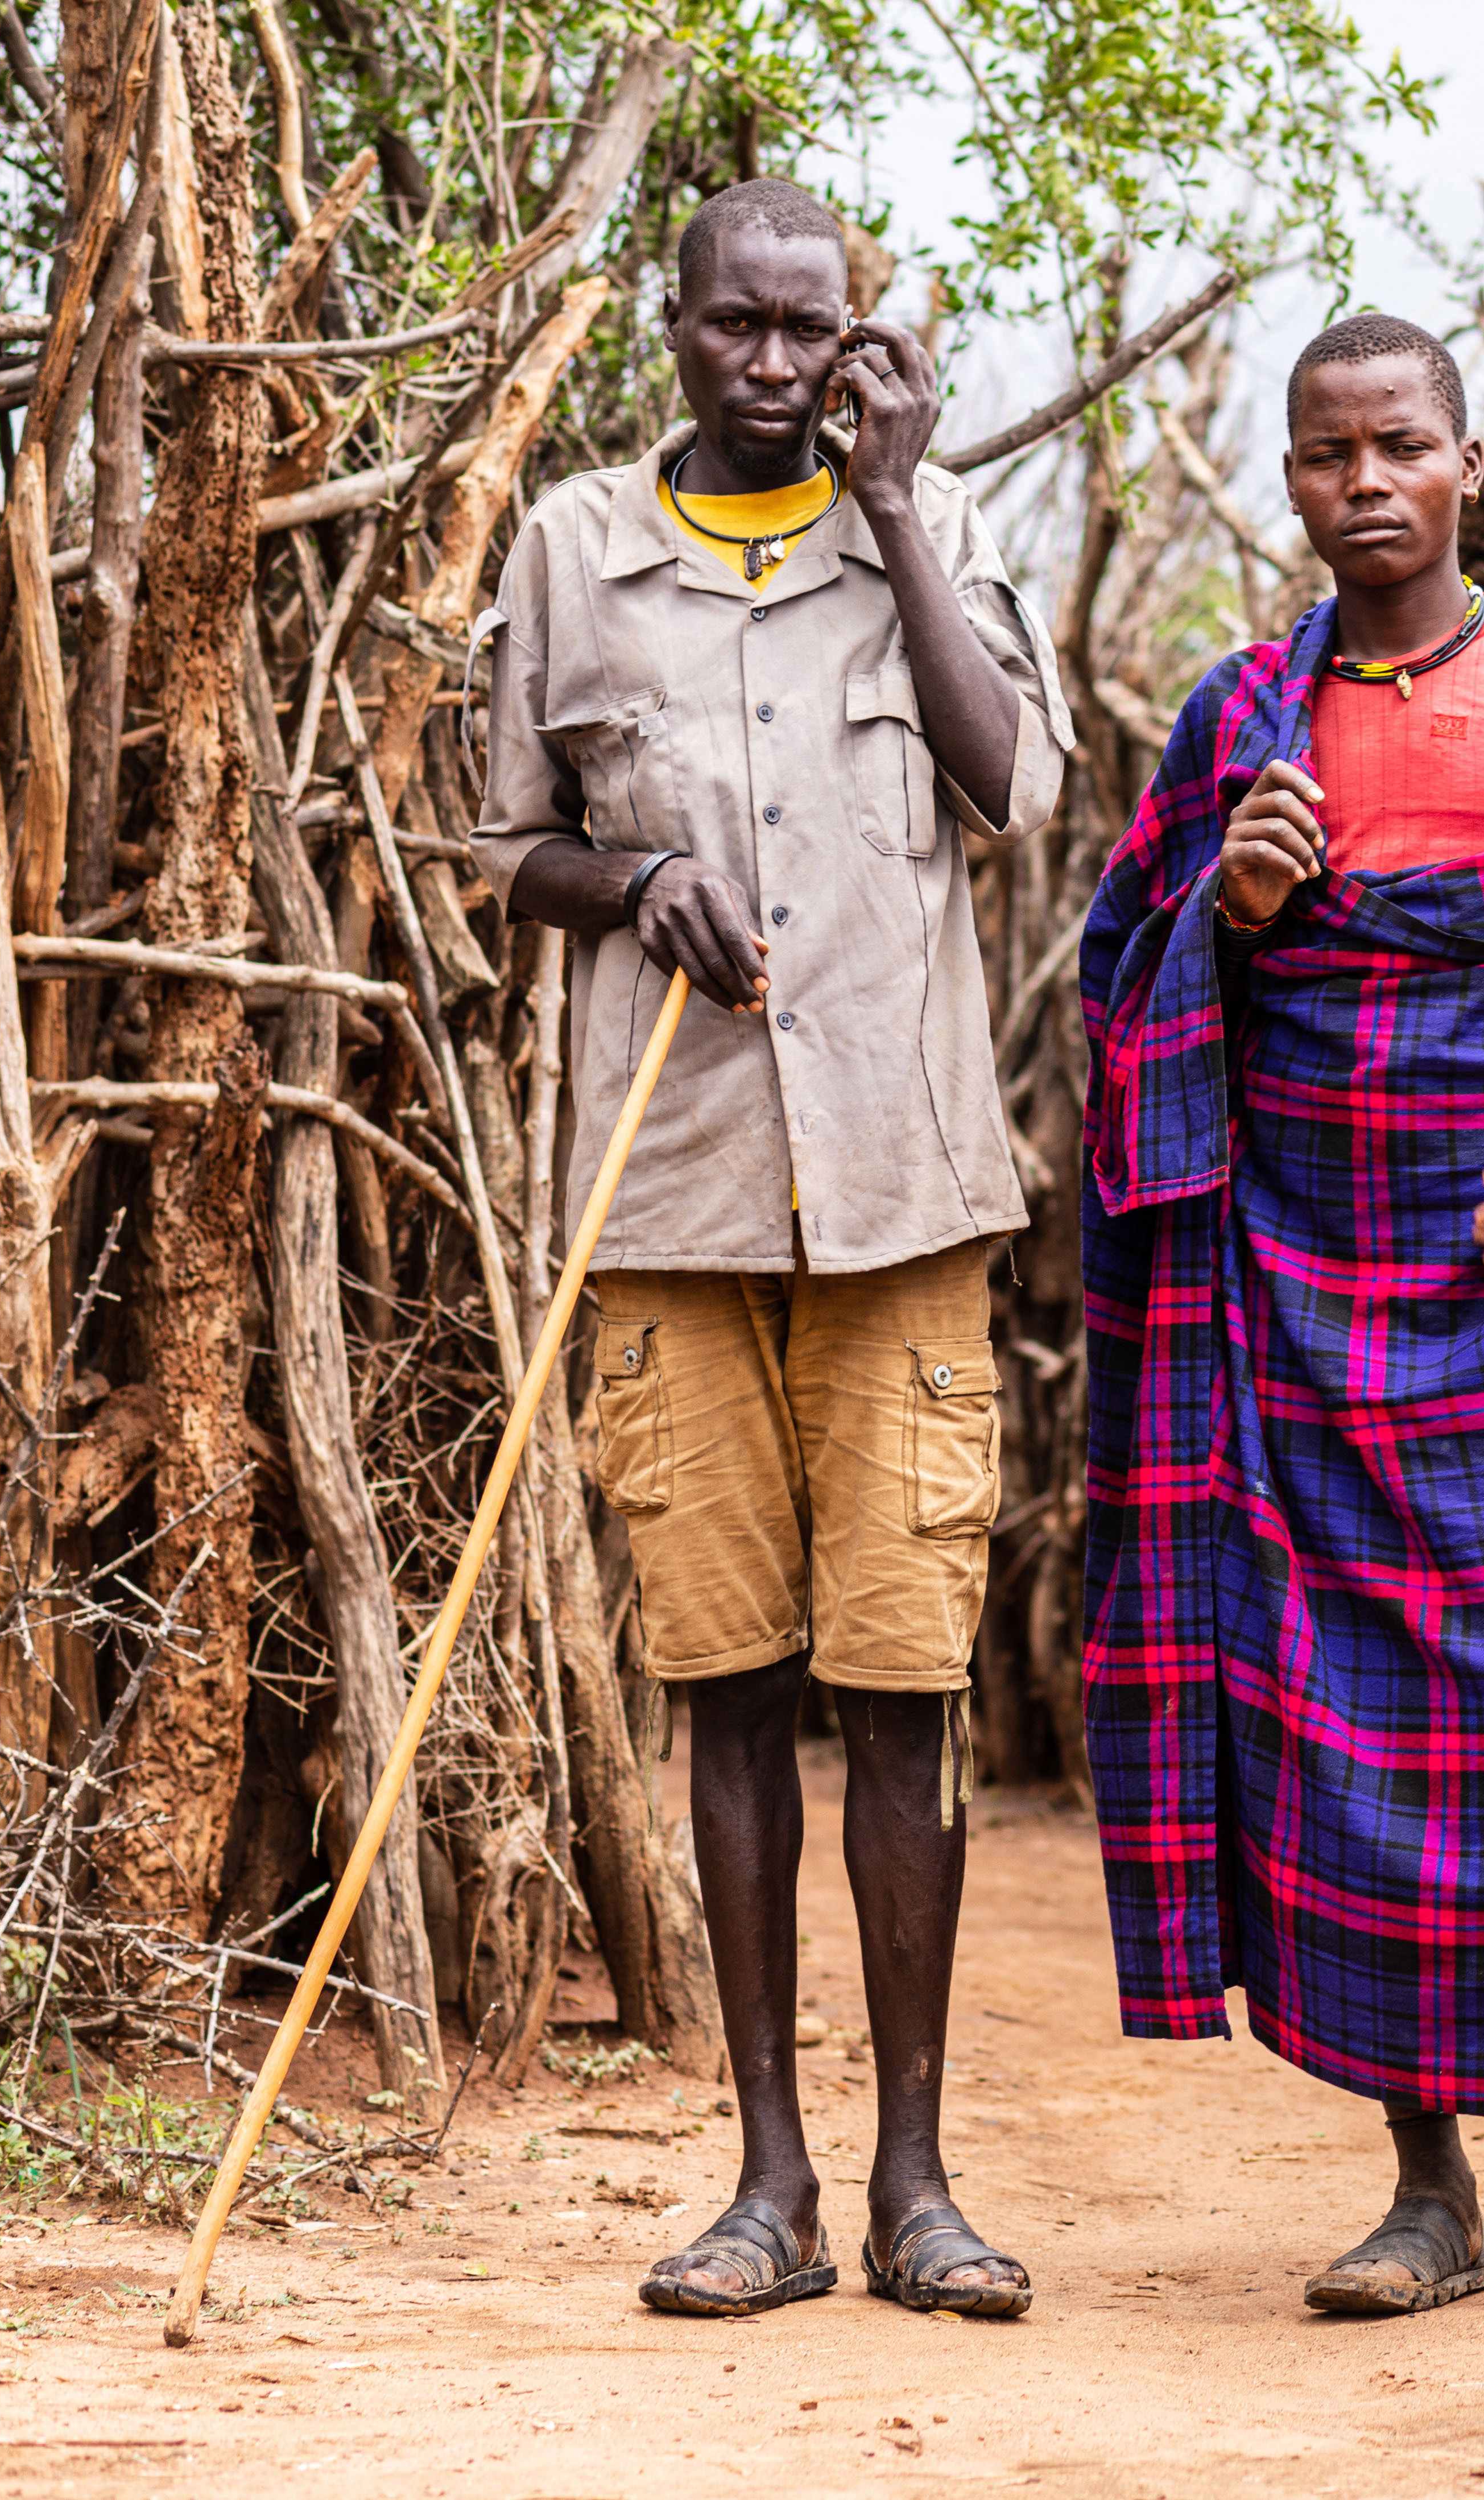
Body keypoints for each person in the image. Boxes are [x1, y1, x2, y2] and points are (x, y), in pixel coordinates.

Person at [471, 177, 1069, 2322]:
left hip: (904, 1201)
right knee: (727, 1694)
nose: (777, 365)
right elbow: (501, 836)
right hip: (679, 1206)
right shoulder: (573, 549)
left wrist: (902, 513)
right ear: (676, 323)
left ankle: (918, 2182)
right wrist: (628, 886)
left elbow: (1007, 783)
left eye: (813, 331)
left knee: (901, 1696)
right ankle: (771, 2184)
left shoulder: (942, 534)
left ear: (858, 339)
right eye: (740, 326)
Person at [1080, 314, 1484, 2316]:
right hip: (1304, 1290)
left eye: (1404, 446)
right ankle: (1429, 2190)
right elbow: (1123, 995)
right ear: (1288, 478)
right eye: (1329, 453)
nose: (1368, 483)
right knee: (1337, 1734)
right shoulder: (1234, 717)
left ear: (1470, 462)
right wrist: (1233, 909)